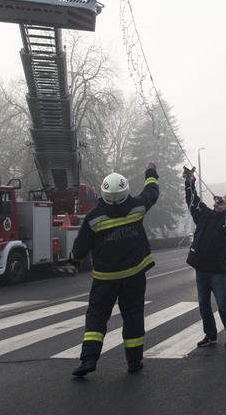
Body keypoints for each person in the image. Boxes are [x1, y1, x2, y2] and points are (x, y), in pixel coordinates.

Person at [69, 162, 160, 377]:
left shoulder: (94, 218)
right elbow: (152, 192)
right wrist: (150, 172)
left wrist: (74, 261)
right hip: (134, 276)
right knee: (133, 316)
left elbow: (80, 247)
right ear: (125, 190)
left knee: (97, 316)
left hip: (105, 280)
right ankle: (134, 361)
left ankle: (89, 358)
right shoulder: (137, 208)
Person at [183, 167, 226, 348]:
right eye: (218, 202)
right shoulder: (206, 215)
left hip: (216, 271)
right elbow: (193, 202)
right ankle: (210, 335)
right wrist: (189, 182)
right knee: (203, 305)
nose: (217, 204)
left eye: (223, 203)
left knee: (222, 304)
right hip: (201, 268)